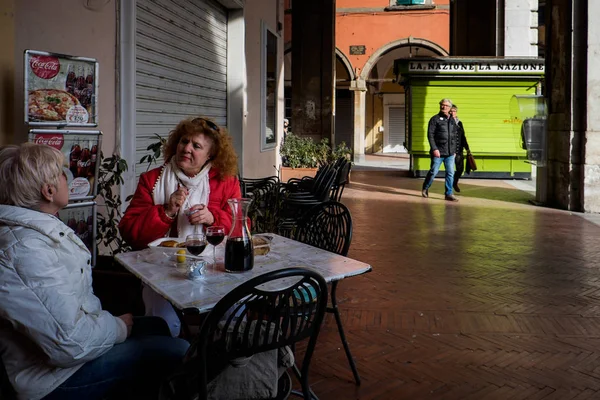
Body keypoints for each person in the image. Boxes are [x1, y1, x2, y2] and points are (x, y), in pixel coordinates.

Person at [0, 143, 189, 400]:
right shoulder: (25, 250)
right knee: (180, 349)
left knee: (156, 325)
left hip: (74, 346)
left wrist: (112, 325)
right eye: (61, 174)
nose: (68, 179)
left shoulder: (37, 230)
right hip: (53, 379)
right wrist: (118, 328)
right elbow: (68, 343)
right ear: (49, 191)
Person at [119, 116, 242, 337]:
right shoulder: (152, 180)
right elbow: (130, 232)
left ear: (210, 155)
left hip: (213, 266)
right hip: (162, 268)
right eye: (184, 141)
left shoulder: (226, 182)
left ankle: (221, 366)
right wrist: (166, 211)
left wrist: (213, 219)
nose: (186, 148)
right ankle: (174, 362)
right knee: (164, 324)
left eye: (196, 146)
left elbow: (240, 229)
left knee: (235, 312)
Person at [421, 98, 459, 202]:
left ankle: (448, 194)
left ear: (450, 108)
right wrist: (434, 149)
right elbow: (430, 135)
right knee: (433, 171)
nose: (444, 107)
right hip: (438, 152)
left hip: (450, 153)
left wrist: (455, 150)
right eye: (442, 105)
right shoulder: (435, 119)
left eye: (446, 105)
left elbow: (455, 136)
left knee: (450, 173)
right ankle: (425, 187)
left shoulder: (452, 120)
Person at [450, 104, 470, 193]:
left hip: (459, 150)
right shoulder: (447, 122)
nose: (452, 113)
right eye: (450, 111)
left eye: (453, 111)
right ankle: (449, 188)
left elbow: (463, 137)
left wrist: (467, 148)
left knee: (460, 169)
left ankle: (454, 183)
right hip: (449, 150)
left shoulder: (459, 123)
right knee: (450, 170)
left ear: (456, 112)